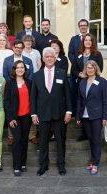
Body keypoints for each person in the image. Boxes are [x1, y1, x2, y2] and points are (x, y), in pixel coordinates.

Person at [30, 47, 72, 176]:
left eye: (51, 56)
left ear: (55, 58)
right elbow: (33, 96)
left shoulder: (62, 73)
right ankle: (43, 165)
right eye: (47, 56)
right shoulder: (36, 76)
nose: (49, 59)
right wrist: (33, 113)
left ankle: (61, 165)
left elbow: (67, 94)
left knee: (60, 141)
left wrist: (69, 111)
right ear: (43, 59)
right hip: (42, 114)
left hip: (59, 113)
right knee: (42, 141)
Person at [76, 60, 107, 176]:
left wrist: (105, 117)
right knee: (90, 138)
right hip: (84, 115)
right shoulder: (82, 82)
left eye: (92, 67)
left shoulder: (102, 81)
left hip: (97, 115)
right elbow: (80, 99)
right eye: (88, 68)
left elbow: (106, 100)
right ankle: (93, 160)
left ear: (95, 69)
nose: (90, 69)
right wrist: (78, 115)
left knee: (96, 139)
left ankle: (95, 163)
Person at [72, 33, 103, 142]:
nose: (88, 42)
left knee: (91, 104)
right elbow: (74, 69)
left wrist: (90, 75)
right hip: (81, 83)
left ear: (92, 42)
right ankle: (84, 132)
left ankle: (92, 132)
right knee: (82, 105)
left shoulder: (97, 54)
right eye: (86, 40)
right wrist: (79, 74)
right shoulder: (78, 54)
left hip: (93, 83)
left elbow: (100, 69)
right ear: (83, 42)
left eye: (90, 40)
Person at [4, 60, 32, 176]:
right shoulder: (10, 83)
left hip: (27, 116)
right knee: (17, 140)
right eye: (18, 68)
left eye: (22, 67)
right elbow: (6, 102)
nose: (20, 69)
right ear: (14, 70)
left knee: (25, 140)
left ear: (25, 70)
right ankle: (16, 166)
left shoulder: (29, 82)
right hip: (15, 117)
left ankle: (23, 163)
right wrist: (10, 118)